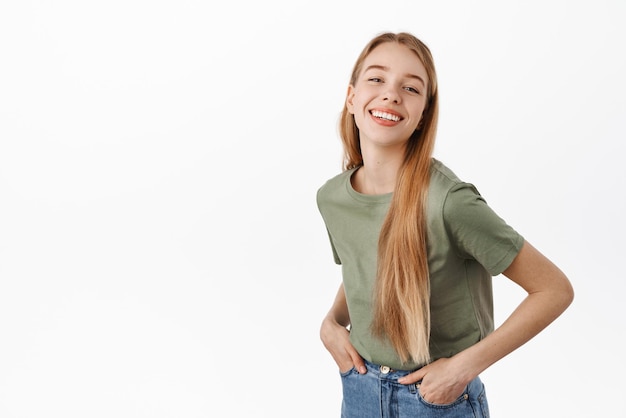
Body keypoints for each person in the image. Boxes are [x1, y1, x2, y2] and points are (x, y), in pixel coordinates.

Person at [316, 32, 574, 418]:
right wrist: (332, 323)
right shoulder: (332, 198)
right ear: (351, 97)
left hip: (435, 401)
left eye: (410, 87)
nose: (391, 94)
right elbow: (364, 266)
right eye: (376, 79)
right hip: (359, 390)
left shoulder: (449, 202)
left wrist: (463, 368)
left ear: (423, 116)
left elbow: (553, 289)